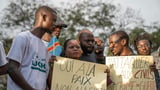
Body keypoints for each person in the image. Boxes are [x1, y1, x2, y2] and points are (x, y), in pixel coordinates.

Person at [6, 6, 57, 90]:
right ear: (44, 17)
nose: (55, 24)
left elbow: (43, 79)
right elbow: (12, 68)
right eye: (54, 20)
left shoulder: (46, 48)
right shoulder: (23, 38)